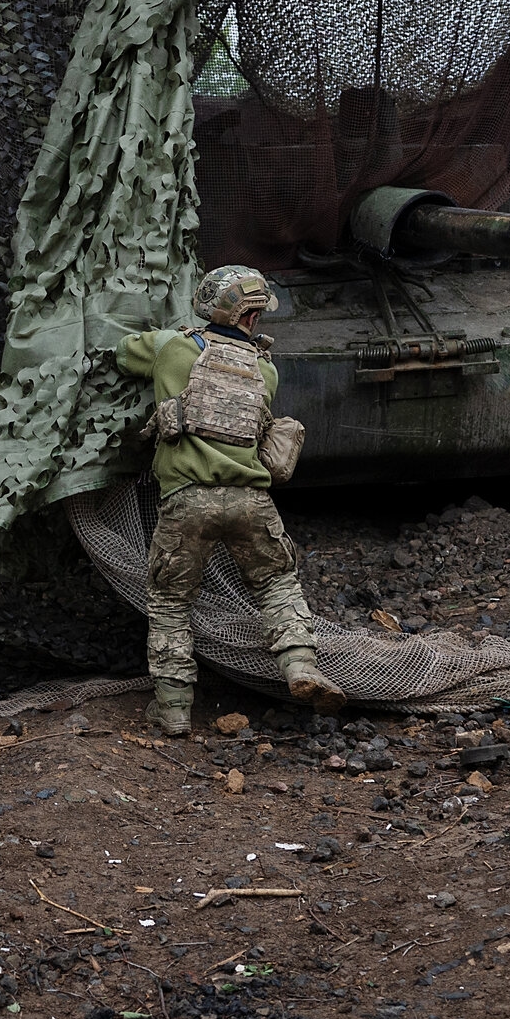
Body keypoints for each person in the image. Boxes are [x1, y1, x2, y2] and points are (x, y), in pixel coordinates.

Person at [117, 266, 343, 737]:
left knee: (171, 602)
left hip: (187, 501)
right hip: (252, 501)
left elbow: (122, 354)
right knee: (277, 585)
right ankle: (301, 667)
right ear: (254, 316)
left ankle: (174, 709)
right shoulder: (265, 369)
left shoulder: (173, 348)